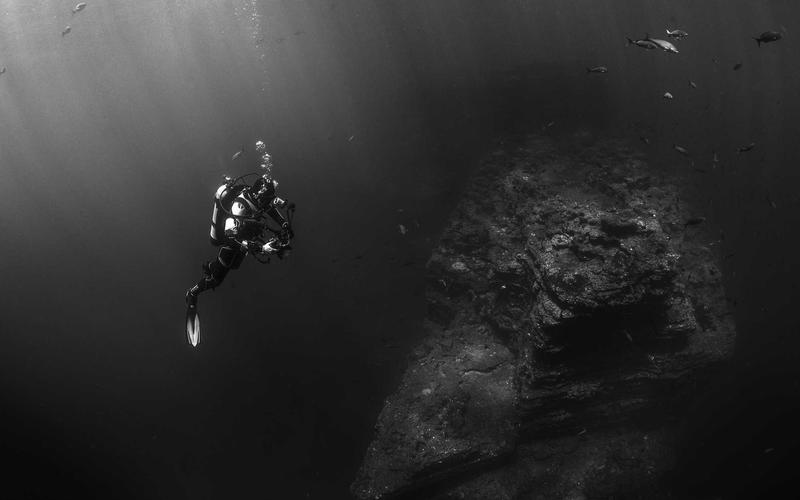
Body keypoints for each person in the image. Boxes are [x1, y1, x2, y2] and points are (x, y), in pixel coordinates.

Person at [185, 141, 295, 346]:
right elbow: (231, 235)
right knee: (217, 278)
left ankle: (211, 270)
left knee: (235, 265)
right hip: (231, 240)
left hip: (244, 238)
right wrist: (261, 247)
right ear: (259, 195)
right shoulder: (239, 206)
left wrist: (284, 224)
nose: (268, 203)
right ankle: (192, 294)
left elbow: (270, 209)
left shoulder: (260, 200)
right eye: (267, 199)